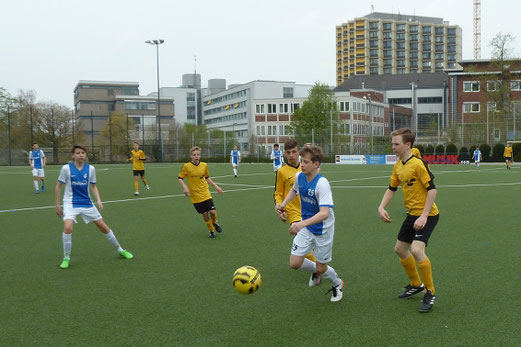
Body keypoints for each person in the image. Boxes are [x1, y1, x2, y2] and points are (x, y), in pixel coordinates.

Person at [377, 128, 439, 313]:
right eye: (392, 144)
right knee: (400, 249)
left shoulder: (418, 164)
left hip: (428, 215)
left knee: (417, 250)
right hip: (412, 214)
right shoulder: (398, 165)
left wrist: (424, 215)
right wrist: (381, 207)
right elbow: (391, 188)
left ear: (407, 145)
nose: (393, 147)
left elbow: (432, 190)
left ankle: (430, 291)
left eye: (396, 144)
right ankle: (416, 284)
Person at [276, 145, 344, 302]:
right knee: (294, 263)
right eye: (302, 161)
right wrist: (284, 204)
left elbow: (324, 213)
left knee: (321, 267)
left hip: (323, 230)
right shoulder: (300, 176)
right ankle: (318, 272)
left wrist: (300, 224)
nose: (302, 164)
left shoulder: (322, 184)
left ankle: (337, 283)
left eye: (306, 162)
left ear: (316, 164)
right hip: (307, 227)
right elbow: (294, 190)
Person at [55, 145, 133, 269]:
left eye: (83, 153)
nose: (81, 155)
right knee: (68, 228)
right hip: (70, 203)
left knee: (103, 226)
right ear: (73, 155)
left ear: (85, 155)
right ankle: (66, 257)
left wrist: (99, 200)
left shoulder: (90, 169)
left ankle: (120, 250)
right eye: (78, 153)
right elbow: (58, 186)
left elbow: (93, 186)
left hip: (87, 203)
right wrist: (58, 205)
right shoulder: (66, 168)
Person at [273, 139, 321, 288]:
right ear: (285, 154)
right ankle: (320, 270)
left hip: (311, 211)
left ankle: (319, 267)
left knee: (311, 243)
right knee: (303, 245)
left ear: (298, 152)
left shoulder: (307, 167)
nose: (291, 155)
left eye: (294, 152)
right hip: (294, 213)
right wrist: (278, 206)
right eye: (288, 152)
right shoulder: (281, 171)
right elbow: (278, 193)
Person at [179, 146, 224, 238]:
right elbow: (180, 178)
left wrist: (216, 186)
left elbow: (207, 177)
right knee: (204, 214)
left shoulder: (204, 165)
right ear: (191, 156)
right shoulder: (186, 166)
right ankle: (211, 230)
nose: (196, 156)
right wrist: (185, 187)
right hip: (195, 195)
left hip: (205, 192)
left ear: (200, 156)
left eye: (198, 155)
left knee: (212, 212)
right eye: (194, 155)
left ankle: (215, 222)